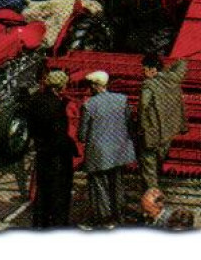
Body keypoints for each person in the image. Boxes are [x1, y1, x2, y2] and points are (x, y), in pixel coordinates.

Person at [78, 70, 135, 227]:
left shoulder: (89, 105)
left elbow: (82, 135)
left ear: (95, 86)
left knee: (99, 188)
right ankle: (119, 216)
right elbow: (129, 125)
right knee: (117, 184)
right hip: (119, 152)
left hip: (99, 153)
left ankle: (104, 219)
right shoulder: (122, 100)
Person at [28, 68, 78, 228]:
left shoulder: (35, 100)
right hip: (58, 157)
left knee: (42, 192)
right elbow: (59, 134)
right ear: (59, 87)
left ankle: (40, 224)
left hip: (42, 152)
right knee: (59, 195)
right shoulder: (57, 106)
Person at [138, 52, 188, 192]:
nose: (143, 72)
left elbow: (143, 107)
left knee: (149, 172)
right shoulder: (172, 80)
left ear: (153, 69)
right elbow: (182, 62)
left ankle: (151, 205)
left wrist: (141, 129)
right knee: (158, 164)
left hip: (152, 134)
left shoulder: (148, 85)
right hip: (168, 133)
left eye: (145, 69)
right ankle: (156, 195)